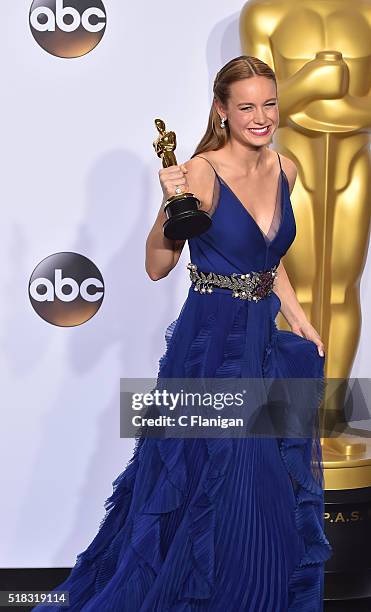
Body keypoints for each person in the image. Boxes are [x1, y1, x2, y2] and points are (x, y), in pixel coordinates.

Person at [32, 55, 333, 611]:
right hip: (211, 347)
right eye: (246, 107)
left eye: (269, 103)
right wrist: (169, 206)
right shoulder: (200, 170)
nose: (261, 117)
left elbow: (269, 257)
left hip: (263, 344)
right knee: (211, 478)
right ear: (221, 111)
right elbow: (156, 265)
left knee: (264, 481)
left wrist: (299, 318)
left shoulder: (286, 169)